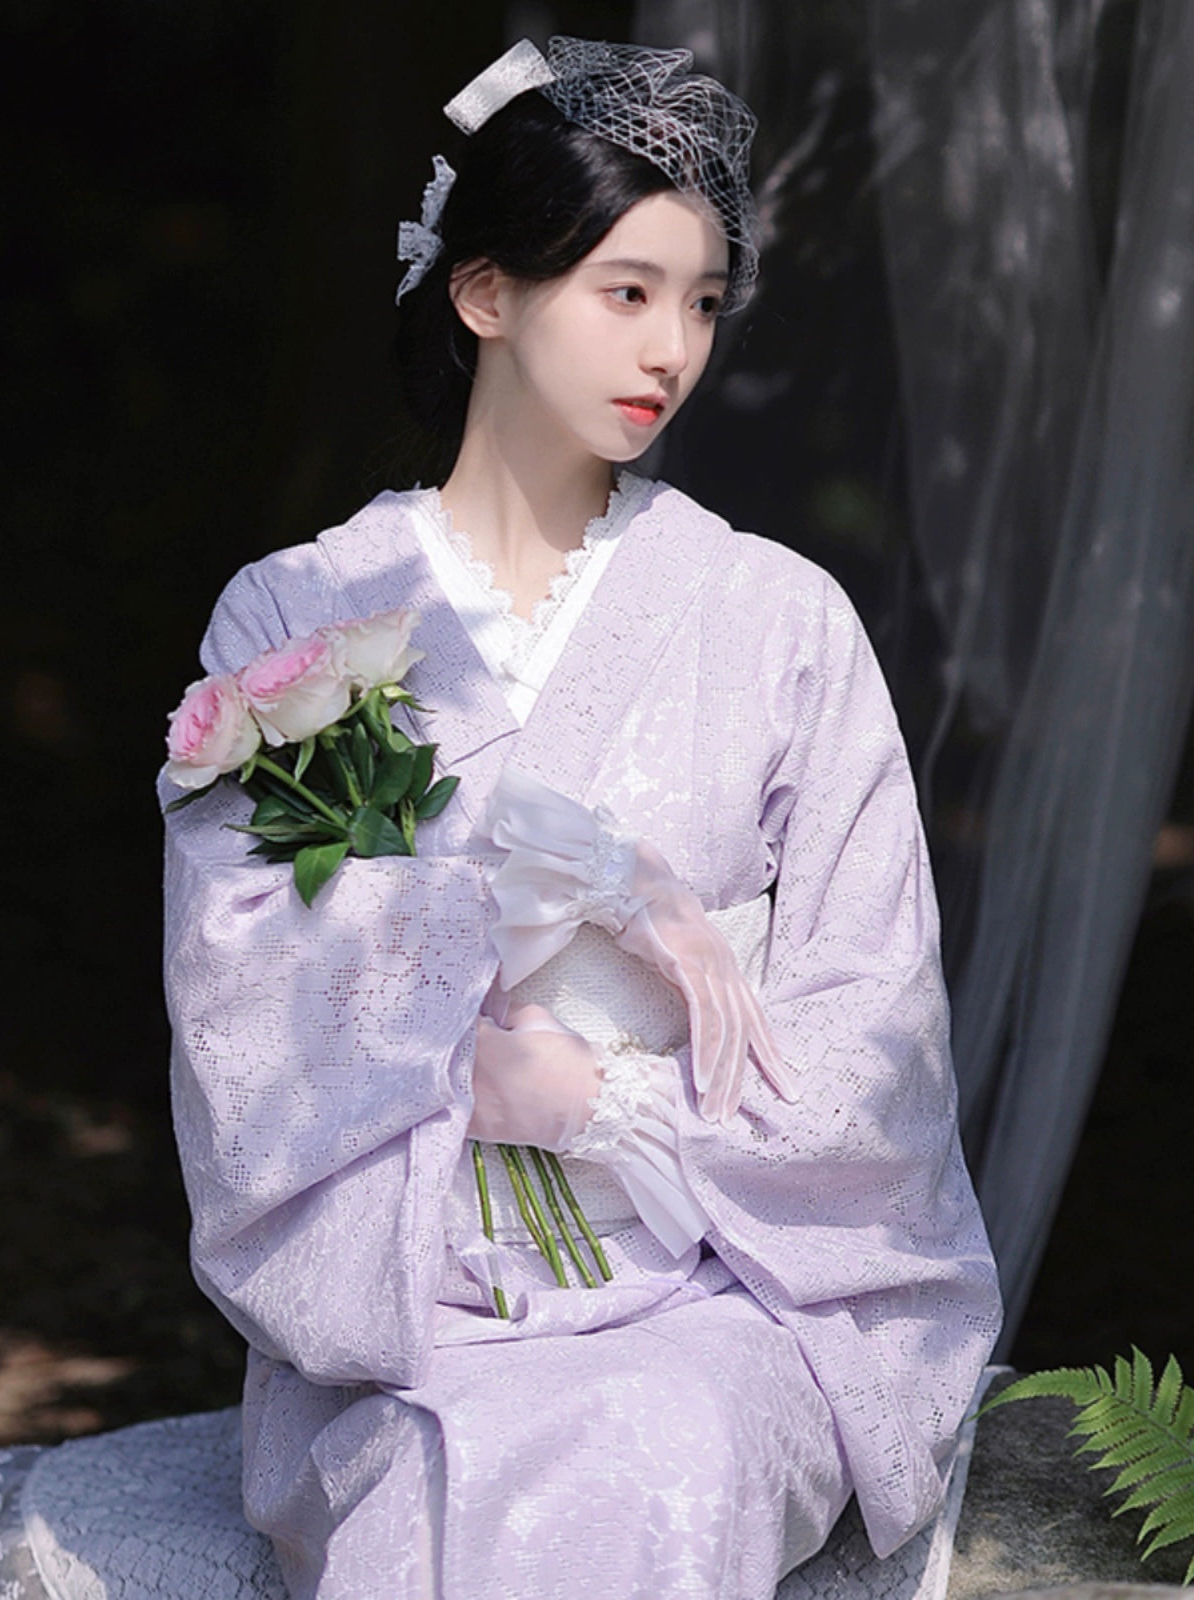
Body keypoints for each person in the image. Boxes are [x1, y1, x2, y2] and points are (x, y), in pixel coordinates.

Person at [162, 36, 1001, 1600]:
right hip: (416, 1308)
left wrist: (617, 1114)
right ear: (486, 293)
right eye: (626, 290)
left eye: (699, 300)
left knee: (648, 1453)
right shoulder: (300, 617)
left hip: (718, 1295)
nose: (671, 348)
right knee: (427, 1495)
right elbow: (246, 1008)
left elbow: (871, 1027)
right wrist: (463, 1074)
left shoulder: (778, 618)